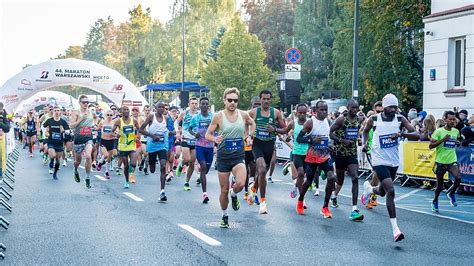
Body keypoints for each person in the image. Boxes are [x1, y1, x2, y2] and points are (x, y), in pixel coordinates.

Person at [361, 94, 418, 242]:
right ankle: (396, 230)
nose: (394, 109)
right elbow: (365, 131)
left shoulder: (400, 119)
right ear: (385, 107)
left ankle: (369, 189)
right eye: (391, 107)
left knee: (381, 191)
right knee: (390, 191)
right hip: (378, 159)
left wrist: (401, 133)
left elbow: (416, 134)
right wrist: (365, 142)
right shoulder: (373, 119)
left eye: (396, 107)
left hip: (393, 160)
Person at [205, 87, 255, 228]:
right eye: (230, 100)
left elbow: (252, 124)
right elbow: (207, 134)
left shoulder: (243, 115)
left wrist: (250, 136)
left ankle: (234, 194)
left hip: (238, 156)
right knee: (224, 190)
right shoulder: (218, 116)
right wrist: (215, 139)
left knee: (240, 183)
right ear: (224, 101)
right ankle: (224, 215)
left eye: (235, 100)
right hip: (223, 157)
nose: (233, 102)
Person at [248, 89, 286, 214]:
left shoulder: (276, 113)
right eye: (263, 99)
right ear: (260, 100)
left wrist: (274, 129)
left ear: (271, 100)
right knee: (262, 169)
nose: (265, 101)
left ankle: (253, 188)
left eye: (268, 99)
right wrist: (247, 136)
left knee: (261, 174)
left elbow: (284, 129)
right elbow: (242, 122)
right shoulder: (253, 112)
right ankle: (263, 202)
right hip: (257, 145)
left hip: (269, 145)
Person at [296, 100, 335, 218]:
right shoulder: (310, 123)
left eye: (325, 110)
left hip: (324, 156)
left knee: (331, 177)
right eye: (321, 110)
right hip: (312, 157)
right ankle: (300, 200)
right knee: (308, 181)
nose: (324, 112)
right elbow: (299, 138)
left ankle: (325, 207)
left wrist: (330, 146)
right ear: (315, 111)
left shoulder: (328, 121)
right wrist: (311, 140)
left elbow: (326, 138)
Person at [329, 99, 364, 221]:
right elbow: (330, 133)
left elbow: (356, 133)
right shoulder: (341, 119)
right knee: (340, 181)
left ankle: (354, 208)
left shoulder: (359, 120)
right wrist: (342, 141)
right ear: (348, 107)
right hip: (340, 154)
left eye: (357, 108)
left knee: (355, 177)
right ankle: (334, 196)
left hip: (352, 154)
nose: (355, 110)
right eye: (353, 107)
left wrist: (359, 140)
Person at [429, 111, 462, 212]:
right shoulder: (439, 131)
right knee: (440, 186)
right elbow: (430, 146)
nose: (452, 121)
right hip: (440, 162)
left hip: (451, 160)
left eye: (454, 119)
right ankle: (435, 201)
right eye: (450, 119)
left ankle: (451, 193)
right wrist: (442, 140)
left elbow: (458, 141)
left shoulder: (456, 131)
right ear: (445, 120)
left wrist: (458, 142)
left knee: (458, 177)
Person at [279, 104, 308, 207]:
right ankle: (302, 199)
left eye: (304, 112)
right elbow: (286, 134)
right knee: (300, 174)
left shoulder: (310, 123)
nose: (302, 114)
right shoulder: (293, 124)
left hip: (308, 154)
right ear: (297, 112)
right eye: (300, 112)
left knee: (304, 177)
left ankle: (296, 186)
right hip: (296, 153)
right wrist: (285, 137)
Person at [139, 101, 169, 201]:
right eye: (159, 107)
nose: (161, 108)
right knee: (152, 170)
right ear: (155, 108)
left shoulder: (166, 118)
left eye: (163, 107)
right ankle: (148, 161)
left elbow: (165, 130)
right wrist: (152, 136)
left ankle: (162, 191)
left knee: (163, 166)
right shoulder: (151, 117)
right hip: (152, 145)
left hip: (162, 145)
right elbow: (141, 130)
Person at [189, 97, 214, 203]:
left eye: (206, 104)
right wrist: (195, 134)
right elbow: (190, 129)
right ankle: (205, 194)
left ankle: (201, 171)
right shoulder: (196, 117)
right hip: (199, 145)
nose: (204, 106)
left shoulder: (213, 117)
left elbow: (218, 127)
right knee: (203, 167)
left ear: (208, 106)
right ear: (200, 105)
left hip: (210, 146)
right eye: (202, 104)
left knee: (206, 169)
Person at [70, 95, 95, 188]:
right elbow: (72, 125)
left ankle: (87, 177)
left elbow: (92, 122)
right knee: (77, 161)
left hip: (88, 137)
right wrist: (81, 119)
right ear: (79, 103)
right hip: (78, 139)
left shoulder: (91, 112)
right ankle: (75, 170)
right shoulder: (76, 112)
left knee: (88, 156)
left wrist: (94, 126)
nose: (86, 104)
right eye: (84, 102)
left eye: (87, 102)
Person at [113, 105, 139, 189]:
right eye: (125, 110)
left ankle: (131, 174)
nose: (127, 111)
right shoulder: (118, 121)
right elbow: (112, 131)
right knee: (126, 166)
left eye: (128, 110)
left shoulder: (134, 120)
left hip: (132, 145)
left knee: (134, 164)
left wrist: (137, 137)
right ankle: (127, 181)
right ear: (122, 112)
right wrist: (117, 135)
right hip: (122, 146)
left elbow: (139, 130)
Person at [176, 98, 198, 191]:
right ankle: (181, 164)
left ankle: (187, 182)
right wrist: (178, 132)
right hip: (185, 139)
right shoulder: (184, 113)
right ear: (189, 104)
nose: (194, 105)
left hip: (195, 140)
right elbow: (176, 122)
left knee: (192, 163)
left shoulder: (199, 115)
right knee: (188, 159)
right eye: (192, 103)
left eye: (195, 103)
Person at [43, 106, 70, 179]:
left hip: (60, 143)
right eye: (55, 111)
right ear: (53, 112)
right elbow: (44, 127)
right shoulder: (49, 120)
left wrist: (63, 131)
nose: (57, 112)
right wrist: (46, 133)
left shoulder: (63, 122)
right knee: (52, 156)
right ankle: (51, 162)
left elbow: (68, 131)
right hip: (51, 141)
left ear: (60, 112)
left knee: (58, 161)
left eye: (58, 110)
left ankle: (55, 173)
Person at [244, 96, 260, 205]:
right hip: (245, 146)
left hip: (256, 146)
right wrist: (247, 137)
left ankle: (252, 193)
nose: (257, 107)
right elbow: (244, 128)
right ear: (252, 104)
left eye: (259, 105)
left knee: (254, 171)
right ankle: (246, 191)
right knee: (245, 171)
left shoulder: (262, 116)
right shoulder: (247, 115)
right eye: (255, 105)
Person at [96, 110, 116, 179]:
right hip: (103, 141)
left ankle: (106, 172)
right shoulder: (102, 122)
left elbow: (116, 133)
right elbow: (97, 128)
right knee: (106, 155)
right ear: (105, 115)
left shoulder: (114, 123)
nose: (109, 116)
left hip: (111, 141)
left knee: (108, 158)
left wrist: (115, 135)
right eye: (108, 115)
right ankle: (100, 162)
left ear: (113, 116)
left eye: (111, 115)